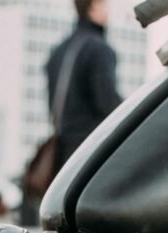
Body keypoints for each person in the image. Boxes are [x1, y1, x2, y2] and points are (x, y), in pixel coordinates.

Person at [46, 0, 121, 169]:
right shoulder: (99, 49)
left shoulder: (59, 51)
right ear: (94, 6)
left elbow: (52, 106)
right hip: (89, 152)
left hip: (61, 153)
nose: (108, 12)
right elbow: (108, 104)